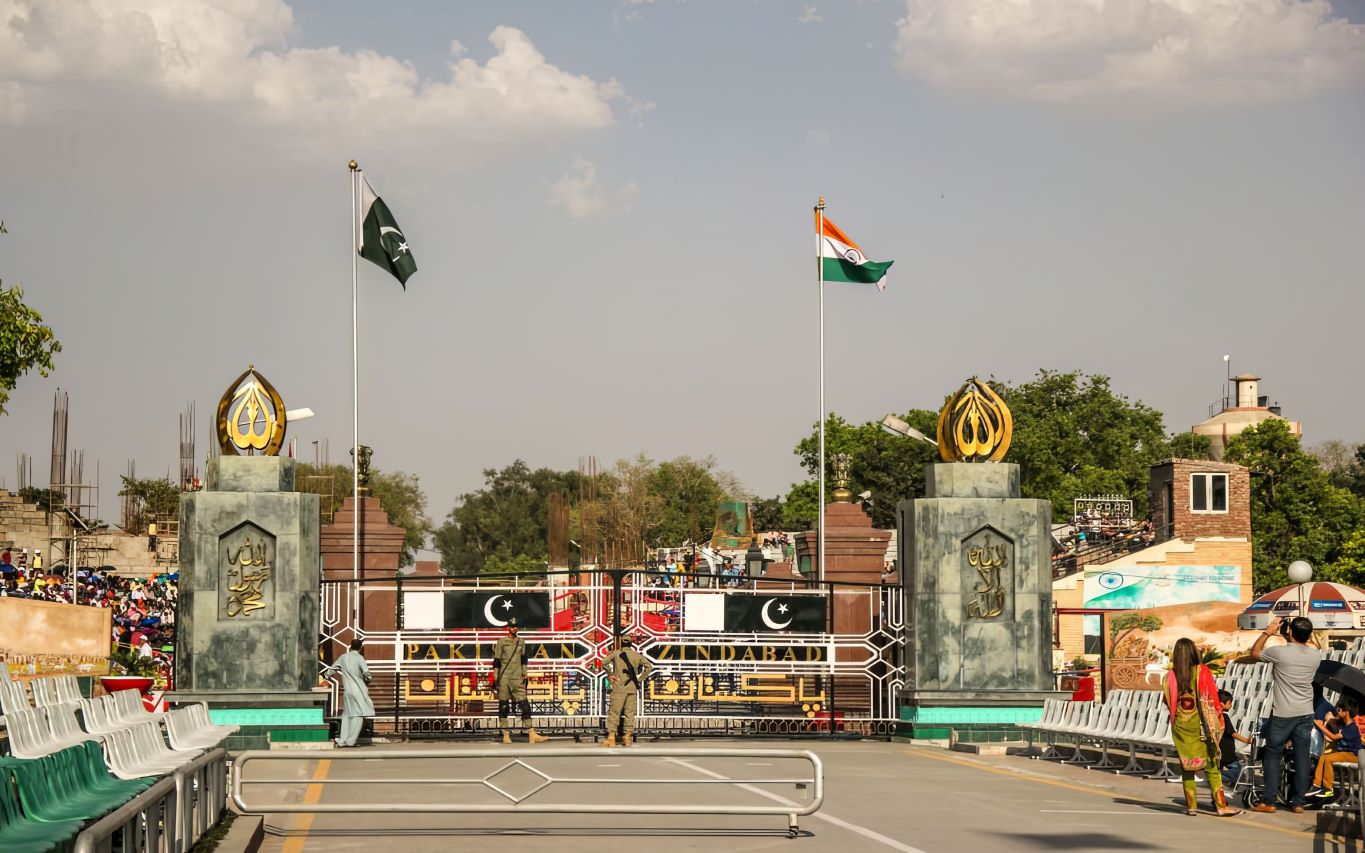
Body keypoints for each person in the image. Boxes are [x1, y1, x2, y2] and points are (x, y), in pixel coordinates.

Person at [1247, 615, 1321, 813]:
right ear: (1309, 634)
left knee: (1272, 753)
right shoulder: (1316, 656)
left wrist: (1268, 632)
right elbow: (1310, 642)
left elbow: (1254, 653)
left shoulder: (1280, 652)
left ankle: (1269, 801)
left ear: (1288, 631)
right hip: (1306, 712)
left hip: (1283, 713)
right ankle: (1298, 802)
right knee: (1302, 755)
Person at [1163, 637, 1240, 816]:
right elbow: (1212, 698)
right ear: (1193, 652)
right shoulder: (1202, 671)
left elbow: (1166, 701)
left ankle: (1191, 807)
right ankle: (1221, 806)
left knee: (1187, 767)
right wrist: (1217, 722)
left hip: (1181, 727)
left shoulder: (1169, 677)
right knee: (1212, 767)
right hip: (1201, 726)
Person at [492, 619, 548, 744]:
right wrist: (496, 678)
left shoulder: (521, 642)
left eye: (516, 626)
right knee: (504, 706)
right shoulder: (502, 642)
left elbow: (523, 659)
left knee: (524, 705)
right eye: (512, 626)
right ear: (508, 628)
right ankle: (506, 734)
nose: (514, 628)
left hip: (517, 677)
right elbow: (497, 661)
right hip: (504, 677)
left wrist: (525, 673)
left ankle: (531, 733)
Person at [602, 634, 653, 748]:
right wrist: (640, 679)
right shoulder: (637, 655)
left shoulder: (616, 654)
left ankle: (611, 737)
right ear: (631, 644)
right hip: (632, 687)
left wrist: (610, 674)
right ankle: (627, 737)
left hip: (619, 687)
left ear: (621, 643)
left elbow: (604, 662)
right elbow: (649, 667)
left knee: (615, 712)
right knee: (629, 713)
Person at [322, 639, 374, 748]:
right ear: (360, 648)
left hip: (348, 691)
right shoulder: (359, 658)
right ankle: (351, 741)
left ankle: (342, 741)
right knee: (358, 714)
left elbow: (333, 668)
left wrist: (327, 676)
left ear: (350, 646)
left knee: (346, 714)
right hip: (358, 690)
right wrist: (369, 678)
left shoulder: (343, 657)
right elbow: (366, 672)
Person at [1307, 701, 1360, 799]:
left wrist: (1320, 726)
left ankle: (1328, 788)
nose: (1337, 713)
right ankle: (1316, 785)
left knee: (1329, 759)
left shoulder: (1352, 727)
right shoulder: (1345, 726)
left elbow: (1334, 737)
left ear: (1346, 712)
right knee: (1323, 757)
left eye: (1339, 710)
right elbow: (1333, 738)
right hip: (1344, 754)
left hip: (1352, 755)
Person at [1218, 689, 1253, 789]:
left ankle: (1221, 778)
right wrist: (1247, 740)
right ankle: (1220, 777)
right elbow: (1232, 733)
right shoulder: (1224, 716)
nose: (1231, 706)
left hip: (1218, 751)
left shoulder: (1213, 716)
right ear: (1221, 704)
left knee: (1219, 767)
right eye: (1229, 703)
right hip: (1227, 752)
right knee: (1239, 770)